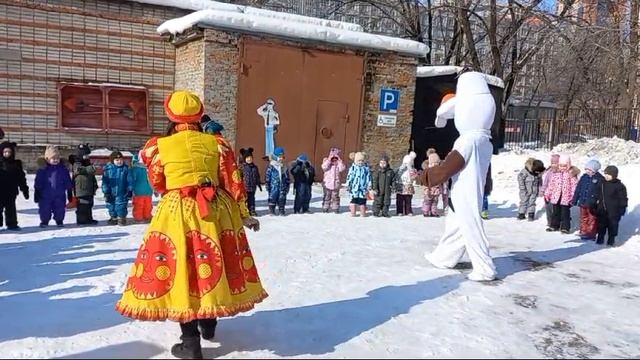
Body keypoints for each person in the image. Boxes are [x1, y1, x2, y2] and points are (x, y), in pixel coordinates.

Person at [115, 90, 266, 359]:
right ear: (199, 115)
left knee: (183, 267)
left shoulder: (157, 147)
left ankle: (190, 342)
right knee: (212, 259)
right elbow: (233, 180)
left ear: (171, 116)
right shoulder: (217, 143)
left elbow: (158, 183)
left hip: (177, 210)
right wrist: (243, 213)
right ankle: (209, 324)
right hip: (216, 209)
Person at [422, 71, 497, 282]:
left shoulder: (468, 140)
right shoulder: (485, 140)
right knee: (456, 224)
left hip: (465, 188)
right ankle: (444, 257)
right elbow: (485, 167)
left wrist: (426, 176)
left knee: (471, 225)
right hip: (466, 187)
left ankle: (485, 267)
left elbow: (449, 166)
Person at [34, 146, 72, 228]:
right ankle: (44, 221)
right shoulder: (43, 170)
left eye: (57, 158)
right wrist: (37, 191)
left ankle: (59, 220)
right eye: (53, 158)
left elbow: (67, 180)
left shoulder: (63, 169)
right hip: (45, 195)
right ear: (47, 159)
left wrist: (69, 191)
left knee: (60, 208)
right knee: (44, 209)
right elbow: (38, 181)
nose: (55, 160)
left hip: (60, 194)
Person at [544, 155, 578, 234]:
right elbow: (551, 185)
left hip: (566, 197)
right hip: (556, 196)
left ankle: (565, 227)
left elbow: (574, 186)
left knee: (565, 213)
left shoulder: (571, 174)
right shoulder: (556, 174)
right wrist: (547, 194)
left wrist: (572, 196)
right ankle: (554, 225)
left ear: (568, 165)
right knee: (555, 212)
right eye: (561, 166)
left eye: (565, 166)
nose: (562, 168)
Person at [595, 165, 627, 246]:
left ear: (614, 175)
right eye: (605, 174)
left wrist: (622, 208)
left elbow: (623, 198)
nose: (606, 176)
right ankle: (600, 238)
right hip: (602, 209)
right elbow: (597, 193)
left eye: (609, 175)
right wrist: (595, 202)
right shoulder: (602, 183)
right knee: (601, 224)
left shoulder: (619, 186)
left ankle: (611, 239)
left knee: (612, 225)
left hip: (614, 210)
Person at [572, 159, 604, 240]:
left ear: (594, 170)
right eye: (586, 169)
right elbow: (578, 189)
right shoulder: (584, 177)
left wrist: (598, 201)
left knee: (592, 218)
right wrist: (575, 199)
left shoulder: (599, 179)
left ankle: (591, 233)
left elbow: (601, 192)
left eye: (589, 170)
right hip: (583, 201)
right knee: (583, 217)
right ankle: (583, 231)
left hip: (592, 203)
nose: (587, 171)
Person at [0, 141, 29, 230]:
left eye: (9, 152)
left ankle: (12, 223)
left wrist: (24, 189)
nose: (7, 154)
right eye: (5, 152)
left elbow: (21, 178)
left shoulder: (16, 164)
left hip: (11, 191)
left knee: (11, 208)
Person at [102, 151, 132, 226]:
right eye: (117, 160)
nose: (119, 162)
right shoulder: (108, 169)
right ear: (112, 161)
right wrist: (106, 192)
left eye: (121, 160)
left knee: (121, 206)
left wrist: (130, 190)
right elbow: (105, 182)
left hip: (122, 192)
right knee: (111, 205)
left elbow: (130, 180)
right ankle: (113, 218)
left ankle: (121, 218)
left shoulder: (126, 169)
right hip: (111, 192)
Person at [72, 143, 99, 225]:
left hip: (89, 189)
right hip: (81, 189)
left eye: (88, 154)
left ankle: (89, 219)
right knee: (82, 206)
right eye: (85, 155)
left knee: (89, 204)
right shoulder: (77, 163)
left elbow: (91, 175)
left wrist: (95, 184)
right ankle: (81, 220)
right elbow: (79, 170)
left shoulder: (87, 162)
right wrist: (91, 168)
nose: (87, 156)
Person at [129, 150, 154, 223]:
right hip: (138, 191)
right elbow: (131, 179)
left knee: (148, 205)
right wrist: (131, 188)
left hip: (148, 190)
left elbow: (153, 178)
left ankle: (147, 215)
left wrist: (154, 188)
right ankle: (138, 217)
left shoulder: (150, 168)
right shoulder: (136, 168)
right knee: (139, 205)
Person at [422, 152, 448, 217]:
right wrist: (426, 187)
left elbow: (442, 179)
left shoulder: (439, 170)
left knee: (435, 201)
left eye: (436, 162)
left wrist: (442, 187)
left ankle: (433, 211)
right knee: (428, 201)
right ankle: (426, 211)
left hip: (436, 189)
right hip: (429, 189)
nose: (435, 164)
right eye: (434, 162)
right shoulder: (427, 170)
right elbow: (424, 179)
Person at [265, 146, 290, 216]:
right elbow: (268, 176)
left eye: (282, 156)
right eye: (279, 156)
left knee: (282, 198)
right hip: (273, 186)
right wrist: (267, 184)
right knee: (273, 197)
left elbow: (287, 177)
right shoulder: (271, 166)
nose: (281, 158)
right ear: (275, 157)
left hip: (282, 186)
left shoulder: (284, 167)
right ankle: (272, 210)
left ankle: (281, 210)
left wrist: (287, 185)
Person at [346, 151, 371, 217]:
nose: (360, 162)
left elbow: (368, 177)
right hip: (354, 188)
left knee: (362, 200)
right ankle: (353, 212)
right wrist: (348, 184)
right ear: (355, 161)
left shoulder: (366, 169)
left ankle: (362, 213)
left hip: (363, 188)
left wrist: (369, 184)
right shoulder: (353, 168)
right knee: (354, 200)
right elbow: (349, 177)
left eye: (362, 161)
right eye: (359, 161)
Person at [321, 147, 346, 213]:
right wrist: (329, 159)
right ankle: (325, 207)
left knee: (335, 196)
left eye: (335, 159)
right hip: (327, 183)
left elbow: (342, 168)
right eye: (333, 159)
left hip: (336, 184)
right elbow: (324, 167)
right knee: (327, 196)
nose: (334, 160)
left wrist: (340, 161)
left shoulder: (338, 165)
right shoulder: (327, 162)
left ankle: (335, 208)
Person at [239, 147, 262, 217]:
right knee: (244, 200)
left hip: (252, 187)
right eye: (247, 158)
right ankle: (244, 211)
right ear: (244, 159)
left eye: (250, 158)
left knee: (252, 199)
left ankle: (252, 210)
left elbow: (257, 176)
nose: (249, 159)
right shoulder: (242, 167)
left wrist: (259, 184)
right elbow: (239, 177)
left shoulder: (255, 167)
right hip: (244, 187)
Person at [395, 151, 417, 216]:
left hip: (408, 185)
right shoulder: (400, 169)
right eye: (405, 163)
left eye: (408, 163)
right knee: (399, 200)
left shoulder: (412, 169)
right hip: (400, 185)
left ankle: (408, 211)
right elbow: (396, 175)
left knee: (408, 199)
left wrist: (410, 169)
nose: (406, 164)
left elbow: (414, 177)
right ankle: (399, 211)